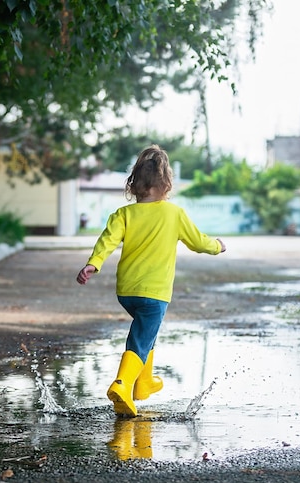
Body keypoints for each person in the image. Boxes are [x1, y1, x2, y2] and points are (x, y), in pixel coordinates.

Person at [76, 144, 226, 417]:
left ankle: (143, 382)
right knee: (142, 336)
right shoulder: (174, 214)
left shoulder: (123, 214)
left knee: (146, 332)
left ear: (134, 186)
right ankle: (122, 384)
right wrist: (217, 245)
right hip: (155, 293)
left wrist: (93, 264)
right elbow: (198, 242)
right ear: (167, 183)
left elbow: (106, 242)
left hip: (127, 291)